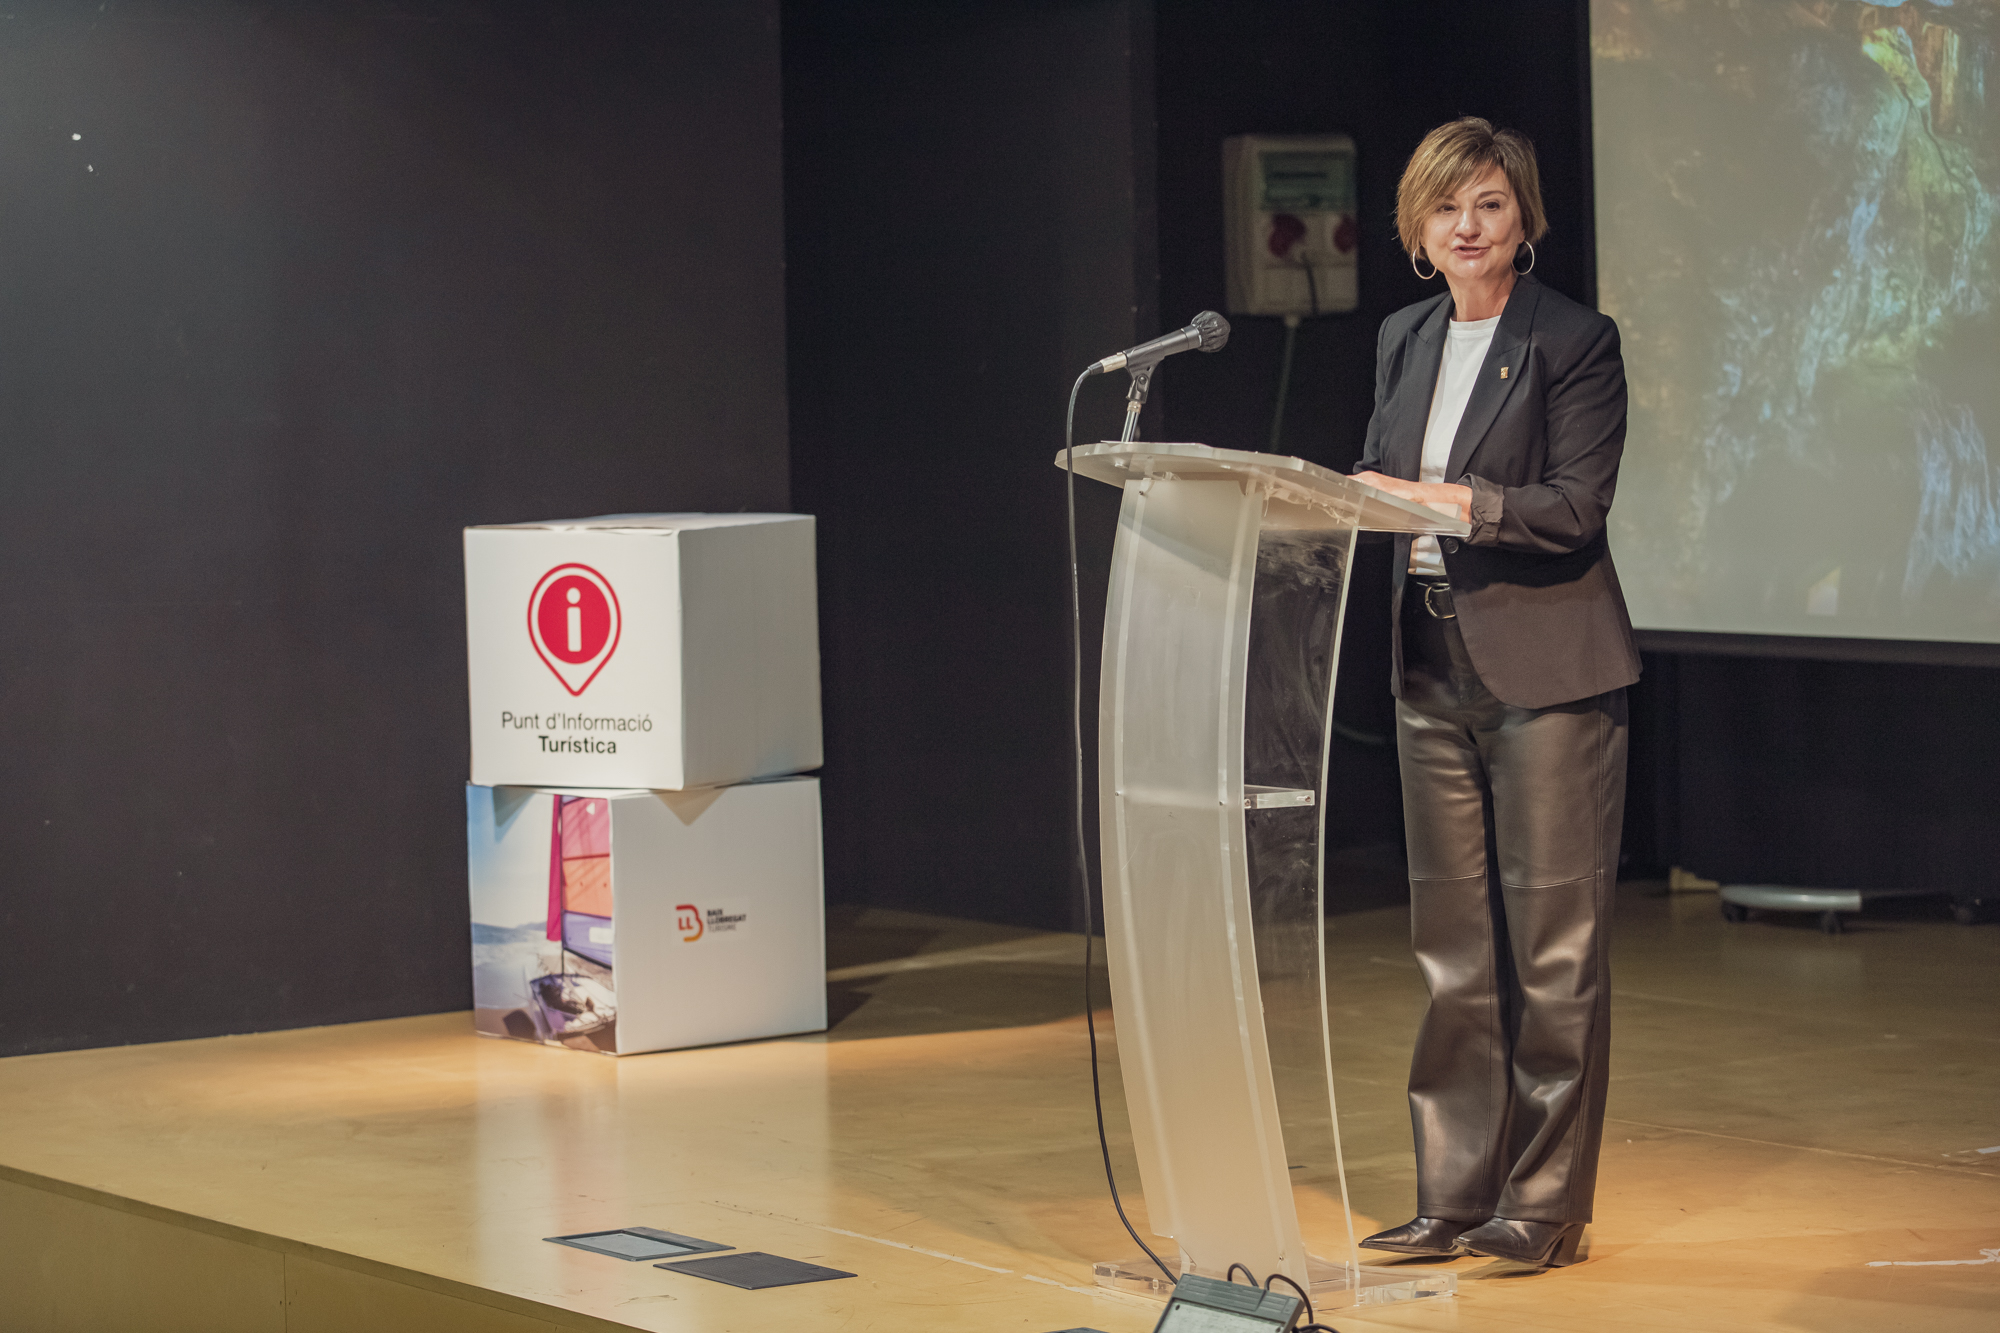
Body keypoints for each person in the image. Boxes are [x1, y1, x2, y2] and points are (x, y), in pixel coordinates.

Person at [1347, 117, 1640, 1269]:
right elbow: (1373, 478)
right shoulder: (1402, 335)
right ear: (1415, 229)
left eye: (1487, 205)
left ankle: (1544, 1203)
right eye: (1444, 208)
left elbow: (1574, 506)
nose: (1464, 227)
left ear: (1522, 220)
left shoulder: (1571, 338)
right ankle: (1452, 1196)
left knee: (1553, 952)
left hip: (1546, 669)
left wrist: (1454, 502)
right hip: (1424, 661)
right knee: (1452, 952)